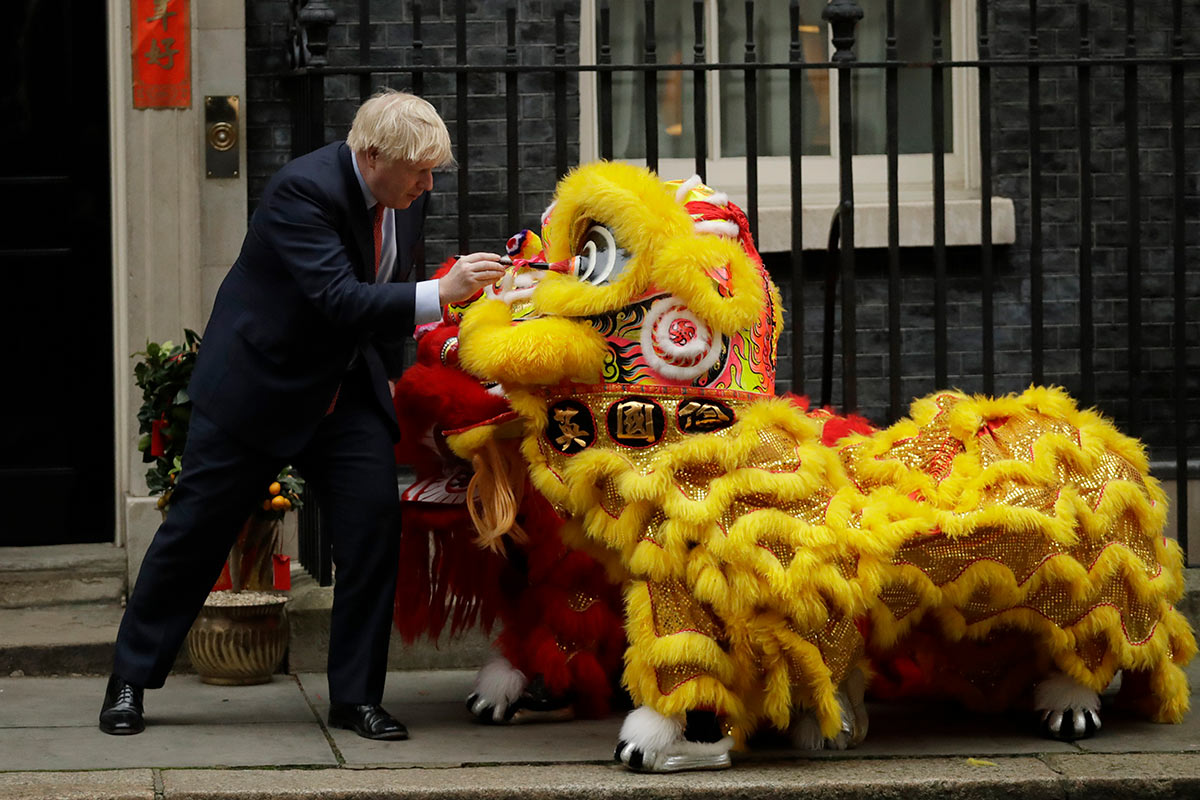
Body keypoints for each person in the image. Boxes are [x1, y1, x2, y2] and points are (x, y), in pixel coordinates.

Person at [99, 90, 507, 740]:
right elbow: (340, 298)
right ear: (372, 157)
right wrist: (442, 294)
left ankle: (355, 700)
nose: (430, 185)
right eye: (419, 172)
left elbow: (381, 289)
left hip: (343, 394)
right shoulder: (301, 192)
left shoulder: (408, 191)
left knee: (374, 531)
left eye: (434, 171)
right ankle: (129, 679)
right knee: (195, 536)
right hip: (260, 387)